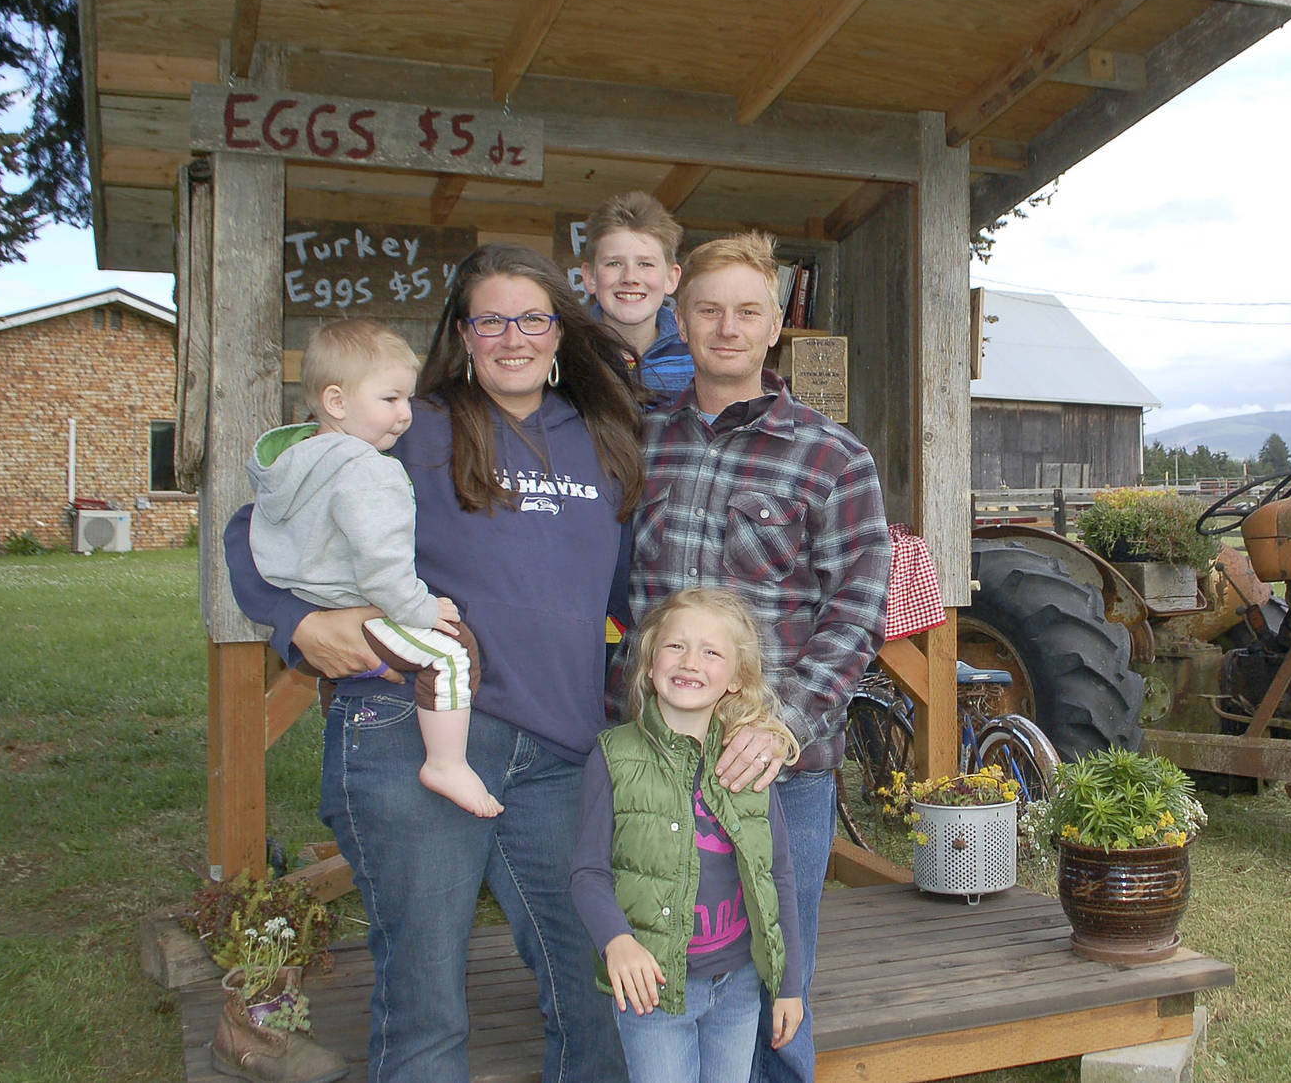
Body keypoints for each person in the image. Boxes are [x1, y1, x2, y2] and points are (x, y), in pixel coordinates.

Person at [222, 244, 646, 1083]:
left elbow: (630, 585)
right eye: (491, 319)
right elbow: (259, 528)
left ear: (560, 331)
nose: (513, 337)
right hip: (414, 737)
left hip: (562, 748)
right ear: (464, 332)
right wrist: (297, 620)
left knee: (593, 981)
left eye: (533, 318)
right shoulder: (413, 424)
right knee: (426, 1000)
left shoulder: (602, 437)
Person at [628, 231, 890, 1083]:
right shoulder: (636, 445)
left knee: (777, 979)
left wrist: (781, 724)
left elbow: (858, 609)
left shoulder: (833, 458)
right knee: (647, 970)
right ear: (680, 318)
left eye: (748, 310)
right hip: (652, 768)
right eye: (709, 310)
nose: (727, 327)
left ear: (777, 324)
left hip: (777, 772)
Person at [246, 319, 498, 818]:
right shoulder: (367, 471)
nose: (406, 415)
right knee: (452, 652)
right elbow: (384, 568)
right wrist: (421, 609)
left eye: (408, 398)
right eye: (391, 400)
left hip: (316, 607)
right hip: (356, 610)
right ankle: (445, 763)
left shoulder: (298, 459)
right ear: (337, 402)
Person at [571, 588, 805, 1083]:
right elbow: (589, 872)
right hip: (653, 988)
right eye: (675, 646)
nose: (690, 661)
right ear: (650, 663)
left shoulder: (751, 763)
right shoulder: (613, 756)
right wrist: (617, 941)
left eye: (711, 651)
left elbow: (778, 878)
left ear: (737, 680)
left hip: (738, 985)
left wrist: (789, 987)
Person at [582, 191, 694, 407]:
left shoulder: (695, 352)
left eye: (645, 264)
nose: (630, 278)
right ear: (589, 277)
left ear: (671, 278)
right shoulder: (569, 349)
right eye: (614, 263)